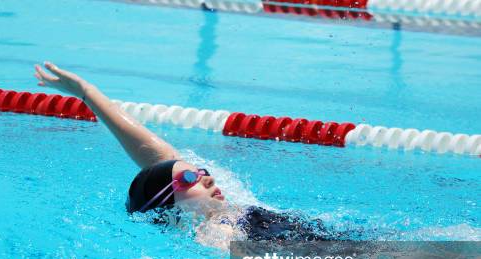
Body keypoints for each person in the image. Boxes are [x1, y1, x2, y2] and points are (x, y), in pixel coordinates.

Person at [34, 62, 340, 249]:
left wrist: (86, 92)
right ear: (168, 207)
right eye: (191, 177)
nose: (206, 177)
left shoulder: (208, 210)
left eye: (201, 171)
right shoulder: (213, 231)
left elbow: (155, 155)